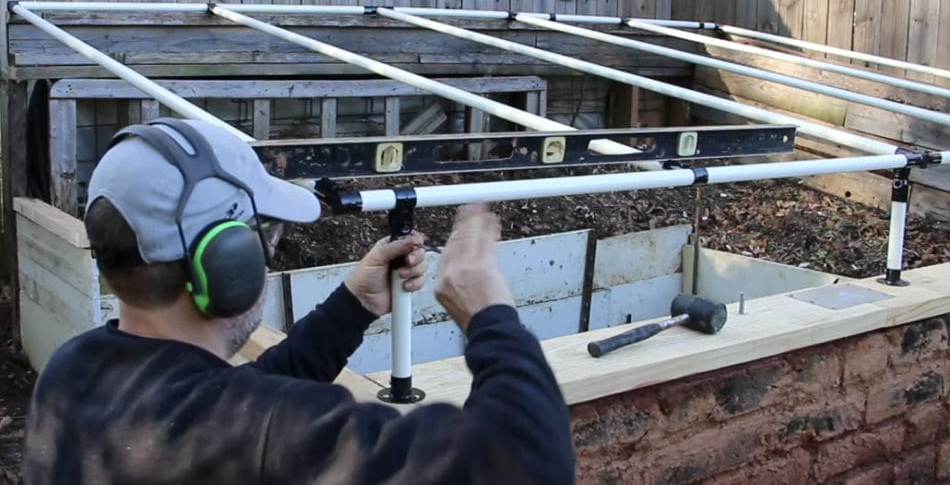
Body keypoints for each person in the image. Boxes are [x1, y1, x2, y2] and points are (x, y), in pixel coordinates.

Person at [23, 118, 575, 484]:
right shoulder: (256, 434)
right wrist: (490, 317)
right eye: (263, 236)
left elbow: (237, 397)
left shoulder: (71, 372)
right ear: (226, 262)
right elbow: (527, 465)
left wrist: (352, 307)